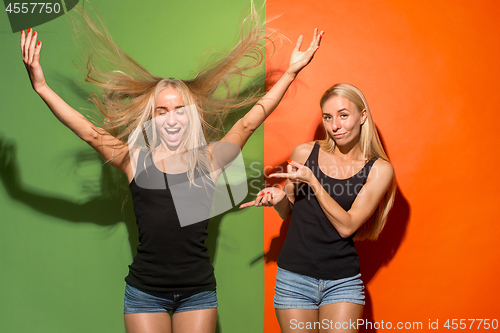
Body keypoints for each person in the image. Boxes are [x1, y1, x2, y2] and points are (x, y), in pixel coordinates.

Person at [19, 4, 324, 331]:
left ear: (191, 115)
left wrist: (290, 73)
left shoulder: (210, 159)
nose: (172, 118)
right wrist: (41, 87)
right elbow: (88, 131)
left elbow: (250, 121)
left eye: (180, 109)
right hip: (144, 293)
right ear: (152, 117)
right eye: (162, 110)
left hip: (198, 292)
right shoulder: (135, 160)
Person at [240, 83, 396, 332]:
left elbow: (347, 227)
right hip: (293, 279)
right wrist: (277, 198)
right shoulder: (304, 152)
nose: (335, 125)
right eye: (328, 117)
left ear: (362, 115)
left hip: (342, 282)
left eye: (343, 115)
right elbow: (289, 210)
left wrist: (314, 180)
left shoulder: (379, 169)